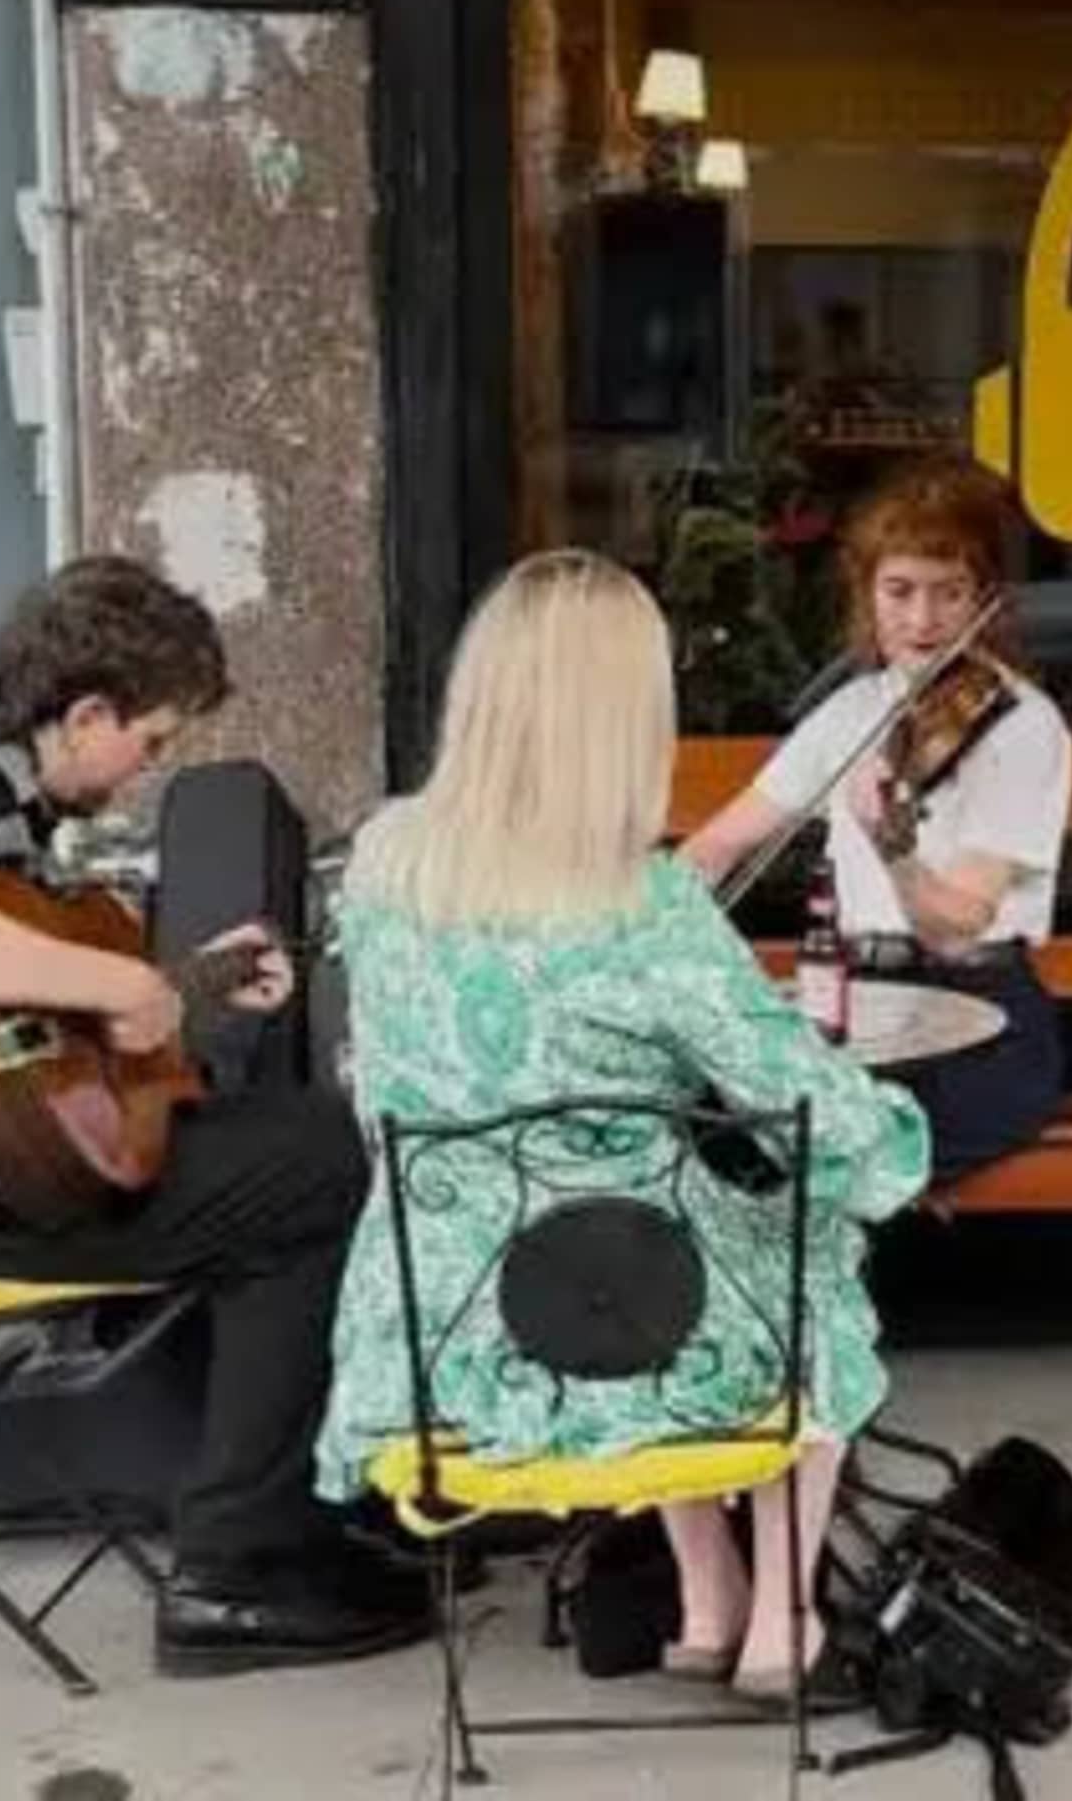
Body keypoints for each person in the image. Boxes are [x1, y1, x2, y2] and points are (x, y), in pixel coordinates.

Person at [0, 556, 431, 1675]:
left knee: (298, 1134)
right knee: (320, 1172)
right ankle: (234, 1569)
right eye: (149, 742)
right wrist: (118, 988)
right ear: (85, 710)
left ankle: (279, 1507)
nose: (149, 770)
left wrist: (181, 984)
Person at [315, 551, 930, 1701]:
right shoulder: (645, 907)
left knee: (642, 1239)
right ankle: (782, 1620)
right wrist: (891, 1142)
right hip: (612, 1330)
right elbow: (802, 1094)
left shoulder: (383, 864)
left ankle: (707, 1598)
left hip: (435, 1350)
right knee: (805, 1254)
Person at [685, 456, 1072, 1175]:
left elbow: (956, 926)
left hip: (975, 1023)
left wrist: (893, 849)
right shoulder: (855, 710)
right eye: (899, 591)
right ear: (866, 594)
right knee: (705, 1128)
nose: (922, 619)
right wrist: (636, 916)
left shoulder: (1023, 726)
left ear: (984, 597)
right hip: (853, 1004)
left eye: (948, 593)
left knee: (813, 1159)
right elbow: (721, 842)